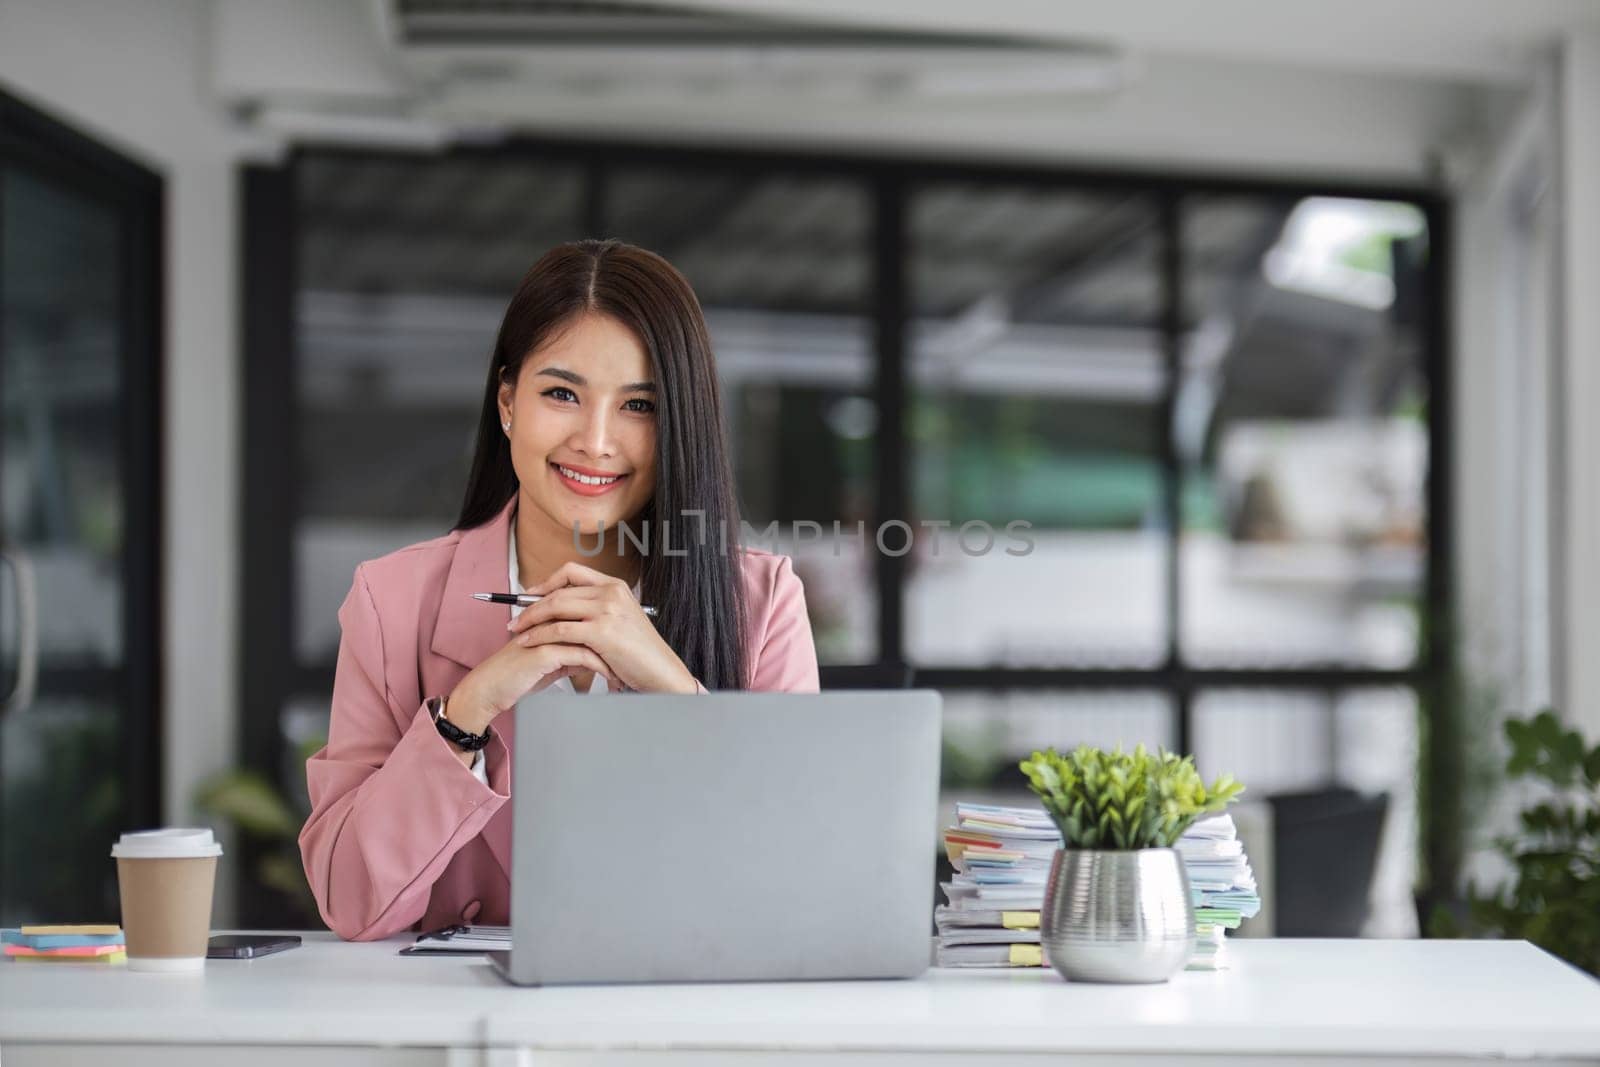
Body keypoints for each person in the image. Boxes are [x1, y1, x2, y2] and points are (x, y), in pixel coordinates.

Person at [298, 240, 820, 941]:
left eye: (639, 405)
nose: (597, 441)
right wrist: (467, 709)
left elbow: (807, 882)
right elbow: (350, 899)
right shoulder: (390, 601)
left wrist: (672, 685)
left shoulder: (760, 602)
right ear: (508, 402)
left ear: (679, 428)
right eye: (562, 393)